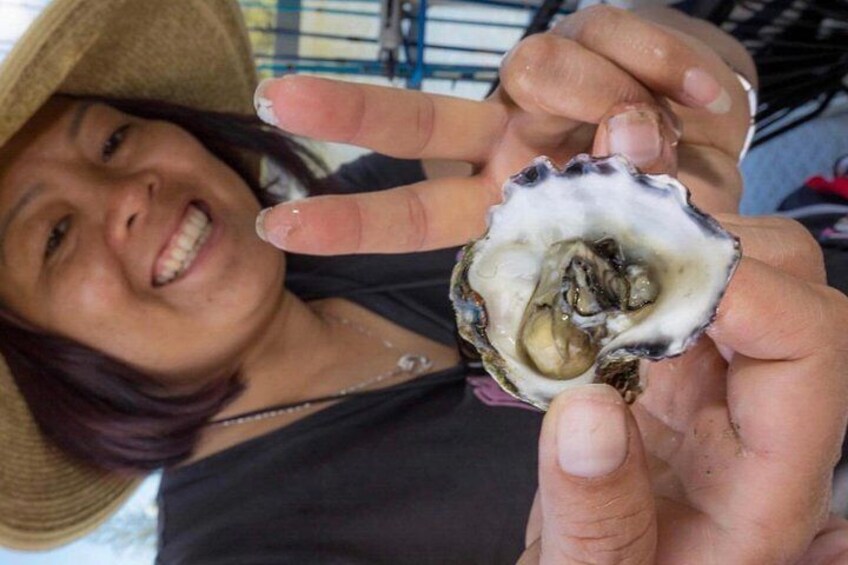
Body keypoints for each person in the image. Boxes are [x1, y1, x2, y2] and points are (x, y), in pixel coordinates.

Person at [0, 1, 845, 564]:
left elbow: (667, 82)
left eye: (111, 142)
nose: (129, 195)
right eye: (55, 236)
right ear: (41, 361)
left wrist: (680, 100)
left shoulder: (377, 206)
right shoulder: (241, 545)